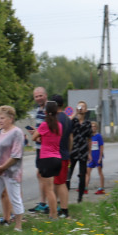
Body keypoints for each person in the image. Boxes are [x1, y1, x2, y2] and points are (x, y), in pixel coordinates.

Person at [0, 105, 26, 231]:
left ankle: (18, 226)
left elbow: (16, 154)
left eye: (2, 117)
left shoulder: (17, 132)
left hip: (11, 171)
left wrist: (3, 167)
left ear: (11, 118)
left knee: (15, 198)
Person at [30, 101, 61, 220]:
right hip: (57, 158)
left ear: (46, 112)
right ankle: (52, 214)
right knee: (51, 188)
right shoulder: (59, 126)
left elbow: (34, 137)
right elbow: (53, 139)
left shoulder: (44, 125)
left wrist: (37, 134)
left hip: (46, 158)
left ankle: (53, 215)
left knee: (49, 190)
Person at [25, 86, 49, 214]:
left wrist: (39, 134)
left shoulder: (48, 109)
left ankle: (46, 203)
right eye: (36, 96)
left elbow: (50, 128)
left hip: (45, 146)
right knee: (40, 174)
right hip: (39, 146)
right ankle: (43, 202)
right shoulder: (39, 110)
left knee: (44, 175)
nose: (38, 98)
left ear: (45, 95)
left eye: (40, 95)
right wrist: (35, 131)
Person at [50, 94, 74, 218]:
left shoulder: (54, 119)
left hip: (54, 154)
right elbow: (71, 138)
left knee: (60, 183)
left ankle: (64, 210)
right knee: (58, 182)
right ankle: (56, 208)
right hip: (64, 154)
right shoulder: (67, 119)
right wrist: (68, 152)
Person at [68, 101, 93, 203]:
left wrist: (90, 152)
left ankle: (80, 197)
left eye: (83, 107)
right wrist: (75, 113)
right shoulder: (73, 121)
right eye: (79, 106)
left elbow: (89, 139)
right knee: (68, 173)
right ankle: (64, 195)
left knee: (82, 175)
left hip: (83, 151)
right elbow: (67, 123)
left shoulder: (88, 124)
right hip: (73, 150)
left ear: (86, 110)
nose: (81, 108)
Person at [88, 121, 105, 195]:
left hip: (97, 156)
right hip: (91, 157)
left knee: (100, 172)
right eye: (91, 126)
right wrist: (89, 155)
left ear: (96, 127)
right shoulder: (89, 136)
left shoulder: (99, 136)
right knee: (87, 172)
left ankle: (101, 188)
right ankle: (84, 187)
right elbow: (88, 147)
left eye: (94, 126)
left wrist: (100, 157)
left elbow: (101, 147)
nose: (93, 128)